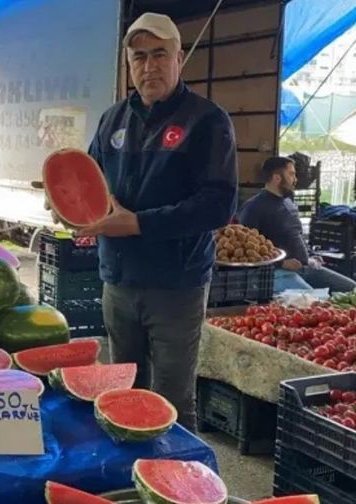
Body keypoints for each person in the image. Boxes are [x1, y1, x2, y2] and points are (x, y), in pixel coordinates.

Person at [72, 12, 238, 432]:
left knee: (172, 400)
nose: (149, 66)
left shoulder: (208, 120)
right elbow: (87, 182)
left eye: (160, 54)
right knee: (123, 391)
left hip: (176, 285)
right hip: (118, 280)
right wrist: (69, 204)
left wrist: (138, 224)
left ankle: (181, 489)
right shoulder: (112, 120)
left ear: (179, 58)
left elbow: (218, 205)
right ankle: (133, 481)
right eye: (139, 57)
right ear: (129, 65)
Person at [237, 156, 356, 293]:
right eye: (291, 174)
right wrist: (281, 263)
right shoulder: (253, 208)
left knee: (353, 289)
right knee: (315, 303)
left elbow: (296, 235)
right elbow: (245, 250)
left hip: (307, 267)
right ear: (277, 178)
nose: (295, 179)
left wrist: (310, 256)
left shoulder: (288, 201)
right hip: (278, 273)